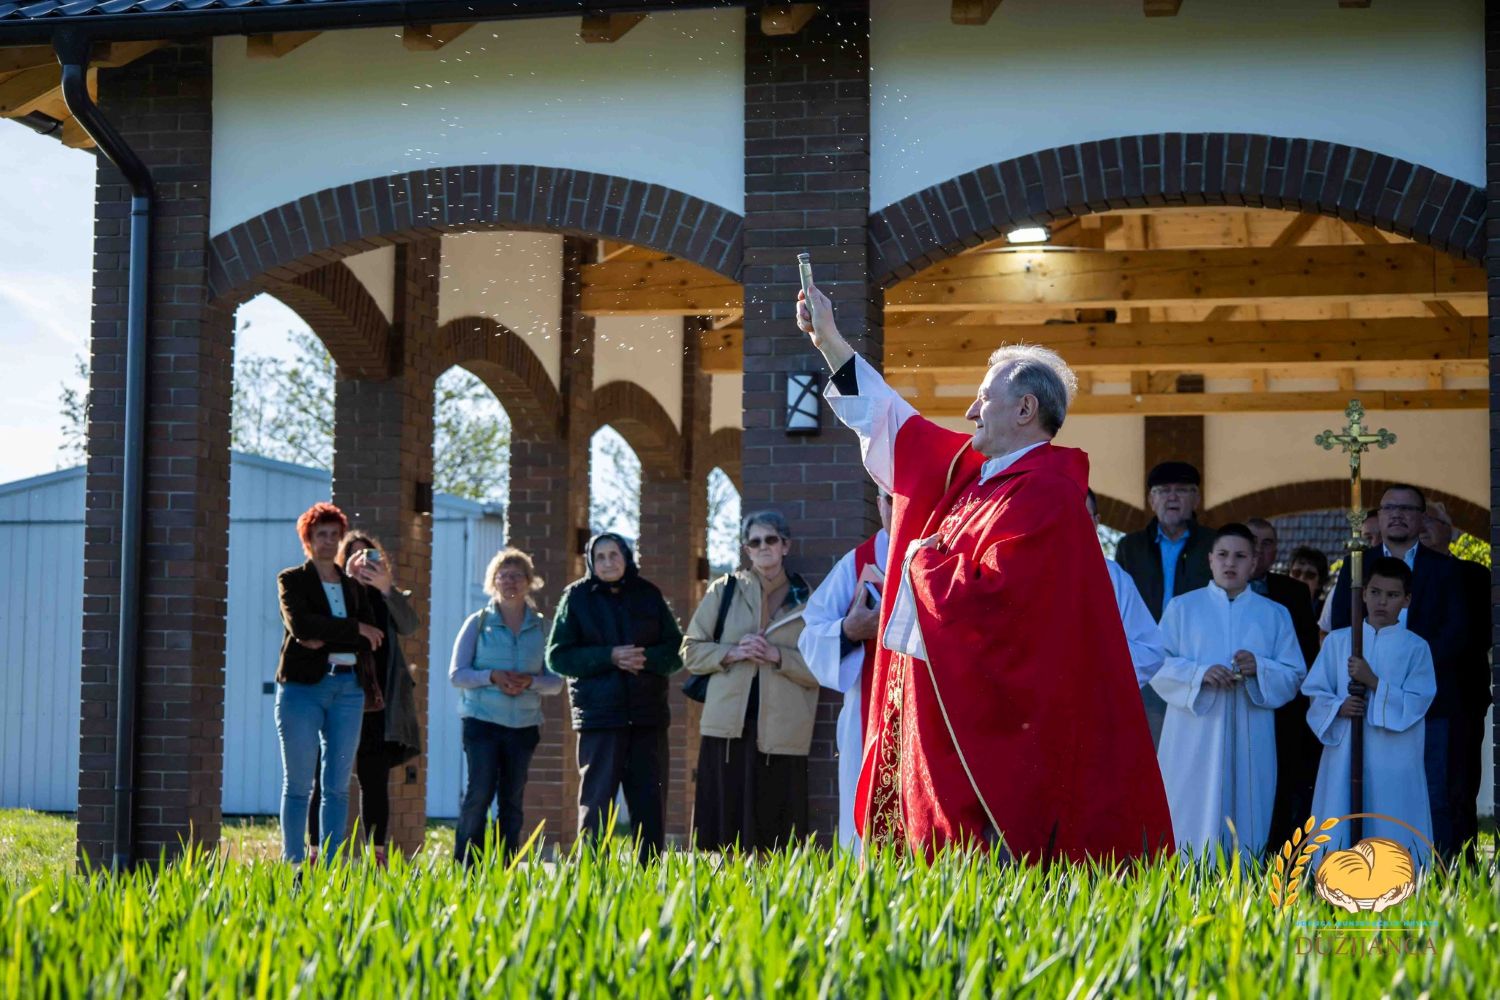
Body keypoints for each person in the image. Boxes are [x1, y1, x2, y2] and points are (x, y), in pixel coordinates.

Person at [796, 283, 1172, 863]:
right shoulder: (977, 478)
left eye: (983, 398)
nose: (970, 412)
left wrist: (921, 559)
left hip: (1005, 736)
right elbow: (895, 423)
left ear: (1026, 409)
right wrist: (831, 343)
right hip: (951, 718)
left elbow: (1002, 606)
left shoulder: (1047, 494)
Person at [1323, 484, 1471, 857]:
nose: (1398, 514)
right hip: (1362, 701)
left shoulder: (1447, 569)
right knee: (1367, 788)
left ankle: (1432, 872)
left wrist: (1401, 674)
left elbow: (1456, 632)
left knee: (1432, 791)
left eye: (1408, 508)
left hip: (1425, 701)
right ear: (1380, 515)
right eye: (1390, 507)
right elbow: (1342, 623)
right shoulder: (1357, 563)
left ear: (1422, 518)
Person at [1151, 524, 1306, 860]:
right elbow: (1157, 665)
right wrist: (1199, 674)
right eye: (1222, 555)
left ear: (1254, 563)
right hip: (1194, 734)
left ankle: (1244, 874)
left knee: (1248, 807)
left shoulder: (1274, 615)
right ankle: (1188, 873)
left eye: (1240, 556)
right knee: (1191, 805)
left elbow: (1294, 675)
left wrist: (1259, 668)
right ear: (1210, 560)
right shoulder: (1182, 608)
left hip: (1251, 732)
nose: (1230, 563)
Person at [685, 511, 818, 851]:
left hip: (782, 731)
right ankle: (728, 894)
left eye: (770, 540)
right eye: (754, 542)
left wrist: (778, 657)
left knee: (774, 836)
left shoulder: (809, 597)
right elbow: (690, 651)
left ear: (785, 546)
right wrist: (732, 652)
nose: (763, 547)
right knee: (724, 834)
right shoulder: (723, 590)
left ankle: (771, 897)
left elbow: (823, 667)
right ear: (746, 549)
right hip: (728, 727)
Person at [547, 533, 683, 862]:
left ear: (627, 557)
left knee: (650, 802)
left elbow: (676, 651)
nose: (608, 562)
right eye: (601, 556)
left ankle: (649, 877)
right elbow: (558, 657)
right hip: (599, 718)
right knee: (596, 804)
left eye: (614, 554)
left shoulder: (649, 595)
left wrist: (646, 659)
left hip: (647, 717)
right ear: (591, 561)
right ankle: (592, 877)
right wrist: (609, 656)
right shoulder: (576, 597)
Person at [1302, 557, 1436, 866]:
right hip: (1346, 752)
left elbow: (1418, 700)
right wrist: (1339, 707)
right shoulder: (1337, 642)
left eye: (1392, 595)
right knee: (1341, 815)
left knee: (1391, 817)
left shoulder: (1416, 648)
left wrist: (1372, 681)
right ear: (1362, 594)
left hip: (1395, 757)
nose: (1381, 602)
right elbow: (1315, 693)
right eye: (1375, 592)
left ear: (1406, 600)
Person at [275, 502, 385, 864]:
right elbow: (302, 627)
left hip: (349, 691)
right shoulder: (292, 580)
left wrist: (334, 633)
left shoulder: (353, 587)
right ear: (308, 539)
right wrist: (352, 630)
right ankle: (293, 862)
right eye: (320, 534)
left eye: (333, 535)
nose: (327, 541)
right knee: (299, 784)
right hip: (302, 690)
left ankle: (334, 865)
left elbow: (374, 636)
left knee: (337, 787)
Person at [307, 531, 422, 866]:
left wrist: (386, 588)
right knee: (327, 779)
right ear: (343, 562)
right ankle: (317, 852)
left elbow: (411, 625)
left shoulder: (387, 598)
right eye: (354, 556)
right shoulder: (331, 595)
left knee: (375, 781)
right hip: (334, 697)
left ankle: (377, 856)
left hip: (376, 705)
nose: (361, 562)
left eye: (368, 556)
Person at [449, 548, 563, 865]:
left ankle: (505, 867)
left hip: (524, 727)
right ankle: (466, 867)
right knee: (479, 794)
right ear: (493, 582)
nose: (510, 582)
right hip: (482, 723)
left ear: (529, 582)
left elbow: (556, 681)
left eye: (517, 576)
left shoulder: (543, 628)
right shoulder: (478, 622)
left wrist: (531, 682)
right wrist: (492, 676)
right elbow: (457, 674)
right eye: (504, 576)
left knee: (512, 800)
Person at [798, 493, 892, 853]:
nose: (897, 508)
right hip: (868, 719)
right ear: (878, 504)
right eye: (889, 499)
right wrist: (850, 630)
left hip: (932, 716)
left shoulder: (944, 553)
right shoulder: (857, 563)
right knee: (866, 829)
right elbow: (811, 636)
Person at [1115, 461, 1215, 744]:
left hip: (1194, 663)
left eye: (1182, 490)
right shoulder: (1130, 547)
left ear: (1196, 498)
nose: (1172, 497)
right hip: (1145, 663)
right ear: (1151, 499)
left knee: (1191, 750)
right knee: (1146, 745)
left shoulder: (1213, 545)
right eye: (1164, 490)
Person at [1418, 501, 1491, 861]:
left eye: (1433, 520)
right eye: (1421, 519)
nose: (1423, 526)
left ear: (1453, 530)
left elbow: (1480, 634)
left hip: (1460, 696)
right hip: (1406, 700)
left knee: (1457, 788)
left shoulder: (1474, 575)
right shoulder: (1399, 574)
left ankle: (1461, 863)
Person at [1245, 518, 1322, 857]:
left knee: (1281, 784)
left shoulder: (1293, 592)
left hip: (1284, 707)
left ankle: (1278, 854)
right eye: (1254, 542)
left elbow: (1306, 653)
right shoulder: (1218, 589)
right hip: (1235, 702)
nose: (1260, 550)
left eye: (1268, 543)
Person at [1086, 489, 1166, 689]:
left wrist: (1094, 655)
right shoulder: (1026, 573)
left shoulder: (1114, 577)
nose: (1073, 524)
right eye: (1066, 514)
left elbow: (1150, 651)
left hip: (1096, 699)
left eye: (1082, 516)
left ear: (1096, 522)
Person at [1317, 510, 1380, 634]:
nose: (1375, 543)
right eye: (1368, 537)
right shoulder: (1344, 585)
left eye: (1382, 537)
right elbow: (1326, 631)